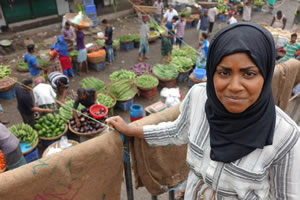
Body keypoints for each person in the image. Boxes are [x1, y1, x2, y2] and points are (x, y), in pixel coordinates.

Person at [107, 23, 300, 199]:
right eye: (224, 72)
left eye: (249, 74)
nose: (234, 86)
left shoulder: (286, 137)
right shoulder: (199, 97)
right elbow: (177, 131)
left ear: (265, 75)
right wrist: (132, 130)